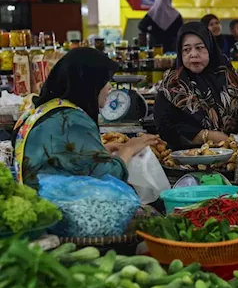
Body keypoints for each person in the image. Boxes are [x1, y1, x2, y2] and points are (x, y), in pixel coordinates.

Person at [12, 48, 158, 189]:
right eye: (105, 81)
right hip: (54, 208)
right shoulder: (71, 120)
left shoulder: (39, 112)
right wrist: (128, 149)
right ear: (88, 82)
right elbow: (107, 177)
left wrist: (95, 153)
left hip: (34, 202)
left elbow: (57, 158)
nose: (109, 88)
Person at [154, 22, 238, 150]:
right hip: (190, 157)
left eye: (199, 48)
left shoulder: (227, 74)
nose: (193, 54)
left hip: (236, 154)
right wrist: (207, 136)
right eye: (186, 49)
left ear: (210, 48)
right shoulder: (173, 83)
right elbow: (166, 126)